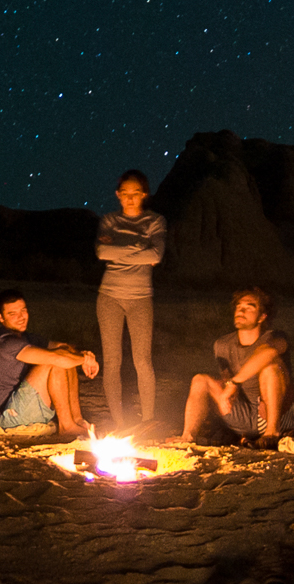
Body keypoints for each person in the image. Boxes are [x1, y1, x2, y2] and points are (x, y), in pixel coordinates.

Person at [167, 287, 294, 448]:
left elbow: (269, 352)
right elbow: (226, 382)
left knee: (270, 368)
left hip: (275, 415)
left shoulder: (274, 337)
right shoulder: (222, 344)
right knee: (200, 379)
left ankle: (272, 434)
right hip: (242, 418)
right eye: (239, 307)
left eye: (249, 307)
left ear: (262, 317)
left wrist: (234, 383)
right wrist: (221, 396)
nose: (241, 311)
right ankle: (188, 436)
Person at [96, 168, 166, 428]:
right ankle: (119, 422)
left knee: (143, 360)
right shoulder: (110, 220)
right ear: (118, 194)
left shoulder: (155, 221)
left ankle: (147, 420)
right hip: (109, 296)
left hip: (140, 297)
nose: (130, 198)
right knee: (112, 361)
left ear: (144, 194)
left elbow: (156, 255)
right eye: (125, 193)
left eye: (135, 193)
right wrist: (138, 246)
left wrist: (119, 249)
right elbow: (102, 252)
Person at [0, 288, 100, 437]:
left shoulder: (27, 337)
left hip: (23, 405)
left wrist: (82, 355)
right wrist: (84, 360)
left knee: (65, 354)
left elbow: (63, 348)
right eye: (12, 314)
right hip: (8, 416)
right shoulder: (6, 343)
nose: (21, 317)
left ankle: (77, 420)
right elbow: (58, 358)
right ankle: (67, 426)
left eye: (23, 310)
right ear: (0, 317)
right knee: (55, 361)